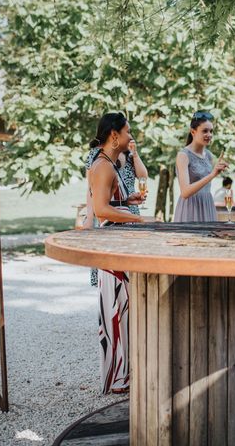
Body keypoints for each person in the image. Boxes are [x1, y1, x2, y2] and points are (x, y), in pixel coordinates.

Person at [88, 112, 145, 394]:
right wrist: (138, 218)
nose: (129, 137)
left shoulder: (109, 163)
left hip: (118, 244)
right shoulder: (102, 165)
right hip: (112, 249)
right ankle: (119, 380)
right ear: (114, 136)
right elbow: (100, 209)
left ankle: (123, 374)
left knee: (124, 311)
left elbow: (108, 200)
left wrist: (128, 199)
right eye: (127, 132)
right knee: (117, 312)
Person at [173, 111, 228, 222]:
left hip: (207, 205)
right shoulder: (183, 155)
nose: (209, 135)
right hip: (190, 208)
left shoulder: (208, 155)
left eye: (211, 131)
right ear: (193, 132)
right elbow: (185, 192)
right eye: (205, 131)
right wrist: (213, 174)